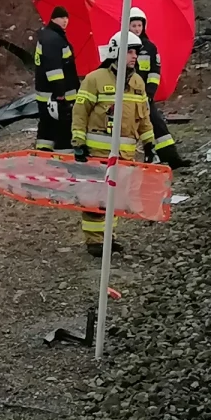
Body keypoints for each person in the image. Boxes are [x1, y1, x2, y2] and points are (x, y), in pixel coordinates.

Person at [71, 32, 155, 257]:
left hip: (125, 154)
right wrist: (78, 142)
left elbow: (144, 117)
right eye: (129, 51)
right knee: (95, 198)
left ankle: (108, 238)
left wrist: (149, 145)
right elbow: (80, 112)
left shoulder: (137, 82)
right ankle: (94, 243)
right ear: (116, 51)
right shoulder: (95, 79)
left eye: (135, 52)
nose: (134, 56)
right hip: (97, 152)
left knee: (115, 199)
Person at [128, 6, 191, 169]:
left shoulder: (150, 47)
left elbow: (154, 73)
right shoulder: (121, 46)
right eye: (133, 25)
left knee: (158, 125)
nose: (136, 29)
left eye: (139, 26)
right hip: (126, 96)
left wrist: (149, 93)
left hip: (144, 96)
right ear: (127, 26)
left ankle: (172, 158)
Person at [33, 6, 79, 151]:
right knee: (62, 130)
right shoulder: (52, 39)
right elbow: (54, 70)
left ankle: (43, 154)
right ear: (53, 19)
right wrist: (60, 94)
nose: (65, 21)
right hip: (57, 96)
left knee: (47, 127)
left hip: (49, 95)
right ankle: (61, 159)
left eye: (67, 18)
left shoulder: (51, 36)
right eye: (61, 18)